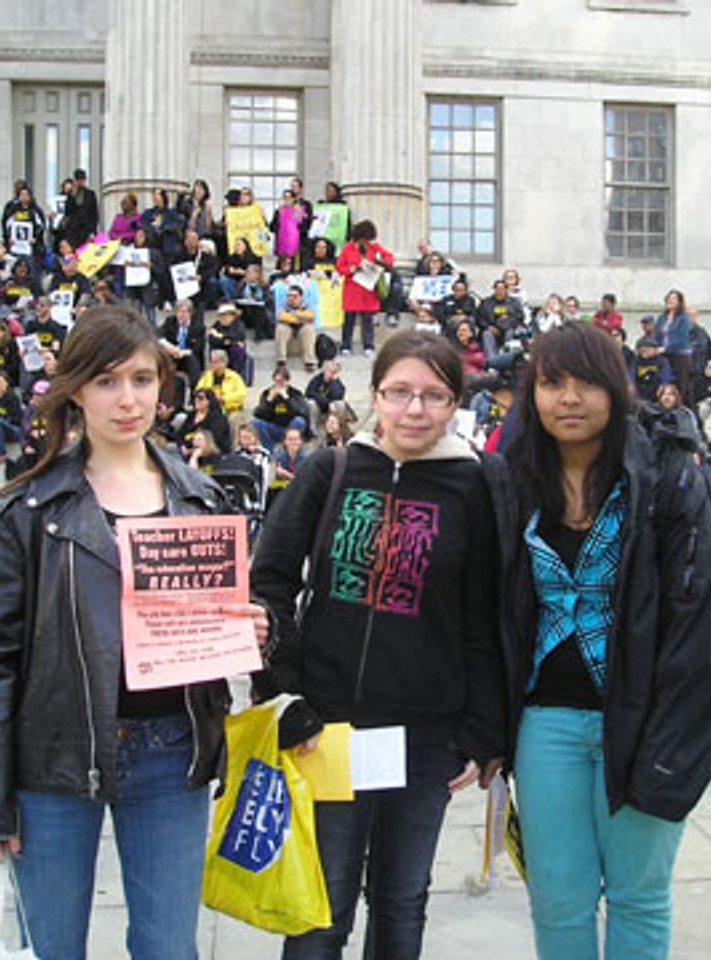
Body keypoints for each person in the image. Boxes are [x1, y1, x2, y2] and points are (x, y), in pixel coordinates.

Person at [0, 303, 273, 958]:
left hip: (171, 751)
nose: (128, 400)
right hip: (54, 754)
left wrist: (249, 630)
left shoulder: (201, 500)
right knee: (51, 947)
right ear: (74, 390)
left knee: (168, 948)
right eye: (106, 381)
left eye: (142, 379)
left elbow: (215, 628)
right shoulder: (21, 511)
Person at [252, 330, 504, 959]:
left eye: (433, 396)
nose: (414, 409)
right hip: (328, 727)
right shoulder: (331, 469)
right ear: (375, 395)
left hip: (425, 737)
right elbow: (270, 581)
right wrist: (283, 694)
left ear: (455, 404)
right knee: (321, 907)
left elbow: (486, 614)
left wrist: (482, 730)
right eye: (399, 393)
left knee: (400, 901)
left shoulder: (476, 485)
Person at [498, 322, 711, 960]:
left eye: (586, 383)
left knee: (638, 895)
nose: (569, 398)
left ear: (617, 388)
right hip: (546, 720)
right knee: (558, 898)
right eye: (552, 383)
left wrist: (676, 745)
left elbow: (702, 624)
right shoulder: (513, 480)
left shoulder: (667, 478)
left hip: (644, 719)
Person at [335, 219, 393, 358]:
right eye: (364, 240)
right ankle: (346, 346)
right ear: (358, 238)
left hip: (368, 289)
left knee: (368, 320)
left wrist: (380, 262)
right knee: (349, 319)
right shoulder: (347, 248)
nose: (367, 242)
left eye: (368, 239)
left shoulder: (375, 247)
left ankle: (368, 346)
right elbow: (339, 267)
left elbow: (389, 258)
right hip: (352, 288)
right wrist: (352, 269)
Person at [250, 362, 311, 452]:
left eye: (281, 382)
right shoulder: (267, 393)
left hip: (289, 427)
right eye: (276, 381)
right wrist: (269, 400)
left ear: (287, 381)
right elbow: (258, 414)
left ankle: (290, 448)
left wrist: (287, 399)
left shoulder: (295, 394)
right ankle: (268, 450)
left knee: (299, 421)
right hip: (274, 427)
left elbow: (301, 413)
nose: (278, 385)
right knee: (255, 422)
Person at [653, 289, 693, 404]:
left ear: (679, 302)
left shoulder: (683, 318)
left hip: (680, 356)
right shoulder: (662, 318)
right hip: (664, 355)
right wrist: (655, 347)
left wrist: (665, 348)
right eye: (669, 298)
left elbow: (681, 338)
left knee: (680, 386)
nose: (670, 300)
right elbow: (657, 335)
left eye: (674, 298)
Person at [276, 283, 317, 372]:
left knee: (309, 329)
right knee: (281, 328)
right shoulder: (282, 305)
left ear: (301, 298)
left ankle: (309, 362)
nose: (291, 299)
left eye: (294, 296)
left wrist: (294, 314)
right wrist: (301, 318)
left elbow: (311, 316)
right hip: (288, 341)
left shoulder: (307, 305)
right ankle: (281, 361)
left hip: (302, 342)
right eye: (289, 296)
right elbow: (281, 317)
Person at [62, 168, 100, 250]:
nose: (81, 182)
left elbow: (94, 214)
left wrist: (92, 232)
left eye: (83, 180)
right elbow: (67, 212)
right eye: (79, 180)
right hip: (74, 232)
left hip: (87, 230)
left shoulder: (90, 194)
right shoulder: (71, 195)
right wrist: (72, 195)